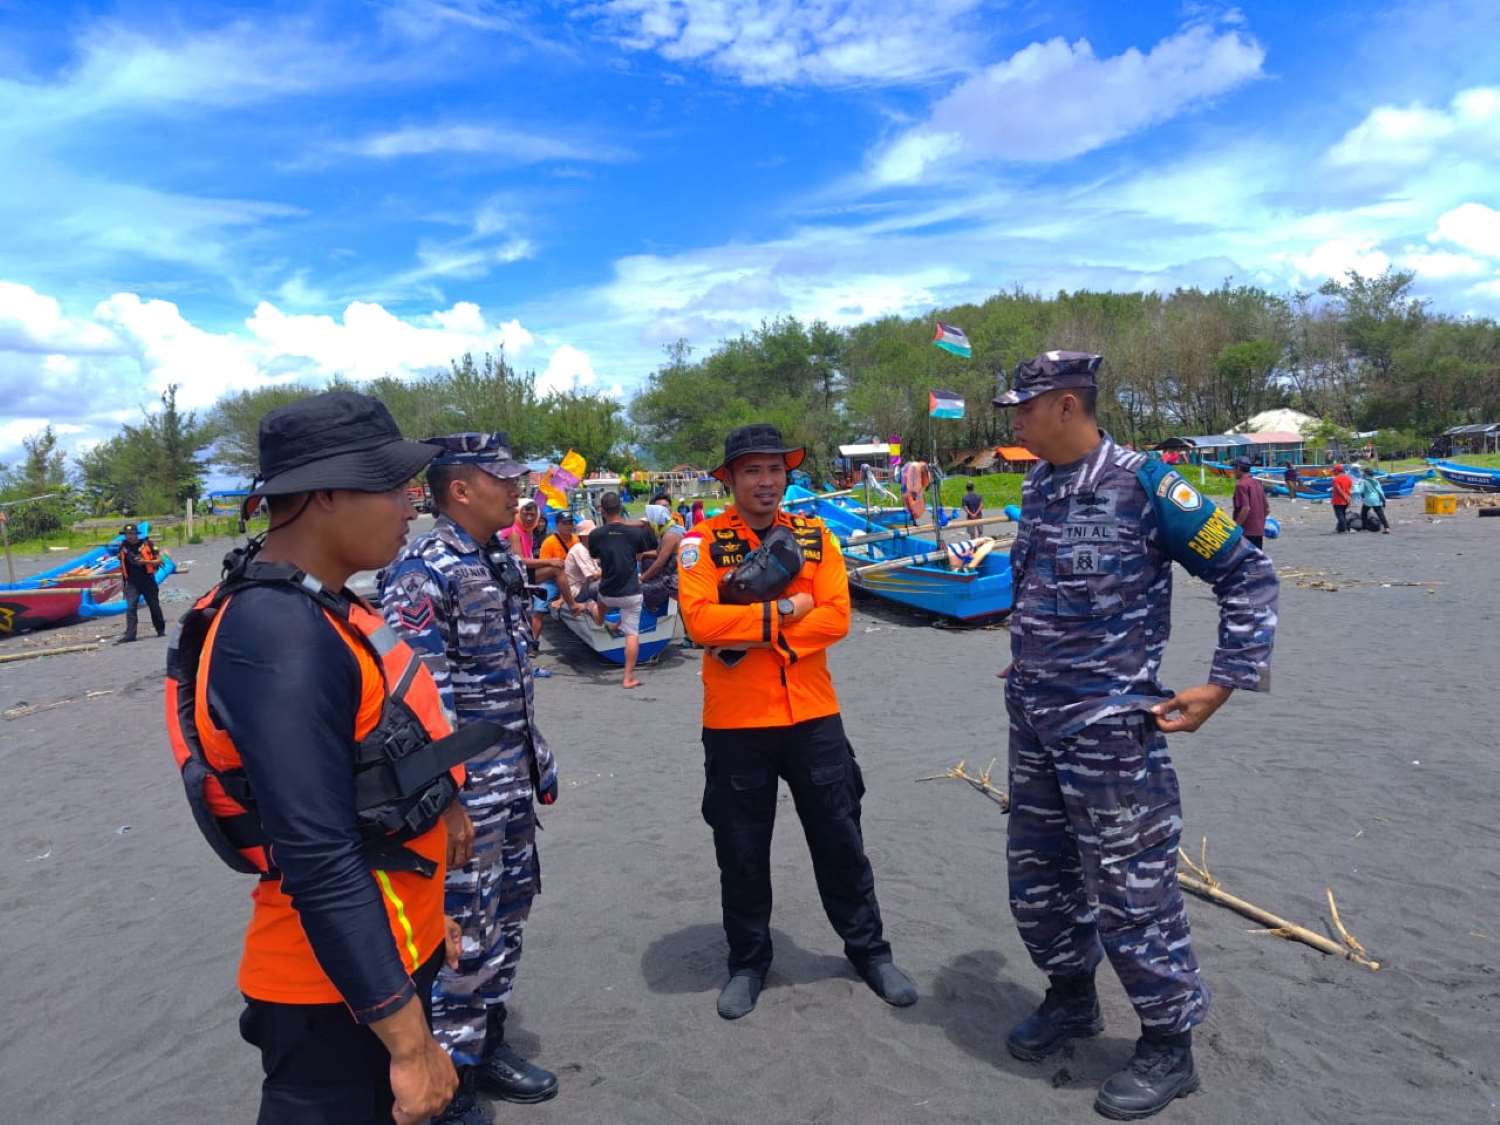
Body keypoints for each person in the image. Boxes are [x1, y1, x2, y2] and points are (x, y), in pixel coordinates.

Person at [165, 391, 478, 1125]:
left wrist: (429, 921)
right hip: (330, 994)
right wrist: (407, 1042)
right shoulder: (276, 633)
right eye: (394, 485)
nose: (412, 505)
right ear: (328, 492)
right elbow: (317, 852)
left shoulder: (322, 605)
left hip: (382, 951)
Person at [993, 352, 1278, 1120]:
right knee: (1038, 880)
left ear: (1063, 405)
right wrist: (1029, 656)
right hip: (1036, 720)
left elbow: (1247, 577)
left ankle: (1167, 1042)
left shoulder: (1150, 484)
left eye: (1021, 406)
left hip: (1113, 731)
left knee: (1133, 890)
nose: (1012, 420)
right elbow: (1050, 594)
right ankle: (1071, 996)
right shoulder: (1041, 485)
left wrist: (1222, 682)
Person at [677, 423, 917, 1022]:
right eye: (752, 470)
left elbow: (836, 616)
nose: (766, 481)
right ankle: (748, 962)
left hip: (813, 715)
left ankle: (869, 950)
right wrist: (787, 608)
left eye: (776, 470)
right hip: (735, 724)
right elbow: (701, 624)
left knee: (841, 838)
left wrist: (767, 637)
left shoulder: (815, 537)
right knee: (741, 848)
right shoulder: (699, 543)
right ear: (728, 478)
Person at [380, 432, 561, 1121]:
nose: (517, 488)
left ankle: (482, 1045)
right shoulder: (424, 568)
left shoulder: (495, 556)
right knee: (462, 929)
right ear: (460, 488)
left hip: (509, 777)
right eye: (504, 477)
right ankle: (445, 1075)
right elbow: (423, 699)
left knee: (508, 913)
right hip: (464, 794)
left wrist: (534, 757)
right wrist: (448, 794)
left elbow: (511, 676)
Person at [587, 491, 655, 688]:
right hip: (631, 592)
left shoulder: (596, 534)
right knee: (632, 634)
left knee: (599, 613)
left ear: (602, 510)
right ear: (621, 508)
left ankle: (597, 615)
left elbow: (595, 555)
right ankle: (627, 678)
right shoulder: (635, 533)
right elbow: (641, 552)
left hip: (607, 592)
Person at [499, 498, 551, 657]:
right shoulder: (514, 531)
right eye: (525, 514)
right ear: (518, 513)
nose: (529, 518)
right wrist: (549, 561)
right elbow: (519, 560)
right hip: (512, 580)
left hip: (521, 577)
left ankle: (528, 645)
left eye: (532, 515)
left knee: (525, 616)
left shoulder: (527, 531)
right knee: (519, 617)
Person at [116, 522, 165, 642]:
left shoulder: (147, 544)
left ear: (136, 534)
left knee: (154, 606)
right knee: (131, 607)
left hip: (147, 580)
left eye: (132, 533)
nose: (130, 536)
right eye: (127, 534)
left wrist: (145, 562)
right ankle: (130, 635)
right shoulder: (123, 547)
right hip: (132, 582)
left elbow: (159, 561)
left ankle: (160, 630)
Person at [640, 499, 685, 615]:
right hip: (673, 574)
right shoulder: (670, 529)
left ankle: (654, 610)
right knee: (647, 560)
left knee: (637, 590)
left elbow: (659, 563)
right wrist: (644, 554)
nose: (649, 525)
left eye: (650, 521)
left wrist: (641, 578)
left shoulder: (670, 535)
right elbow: (659, 552)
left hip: (675, 580)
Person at [558, 518, 605, 624]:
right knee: (604, 585)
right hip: (577, 591)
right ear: (583, 536)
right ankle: (592, 607)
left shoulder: (590, 548)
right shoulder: (580, 549)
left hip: (585, 586)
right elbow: (592, 576)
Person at [1231, 459, 1269, 549]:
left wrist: (1236, 527)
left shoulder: (1241, 485)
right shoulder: (1257, 483)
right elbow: (1267, 509)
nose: (1233, 471)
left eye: (1233, 468)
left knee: (1244, 560)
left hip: (1246, 531)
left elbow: (1245, 508)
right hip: (1258, 530)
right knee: (1256, 559)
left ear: (1239, 468)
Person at [1330, 463, 1354, 533]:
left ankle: (1345, 529)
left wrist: (1345, 497)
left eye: (1334, 471)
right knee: (1343, 515)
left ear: (1337, 471)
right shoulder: (1348, 479)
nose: (1333, 472)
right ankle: (1339, 529)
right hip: (1346, 500)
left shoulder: (1335, 479)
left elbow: (1339, 489)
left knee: (1340, 516)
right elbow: (1350, 490)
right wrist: (1349, 499)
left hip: (1338, 500)